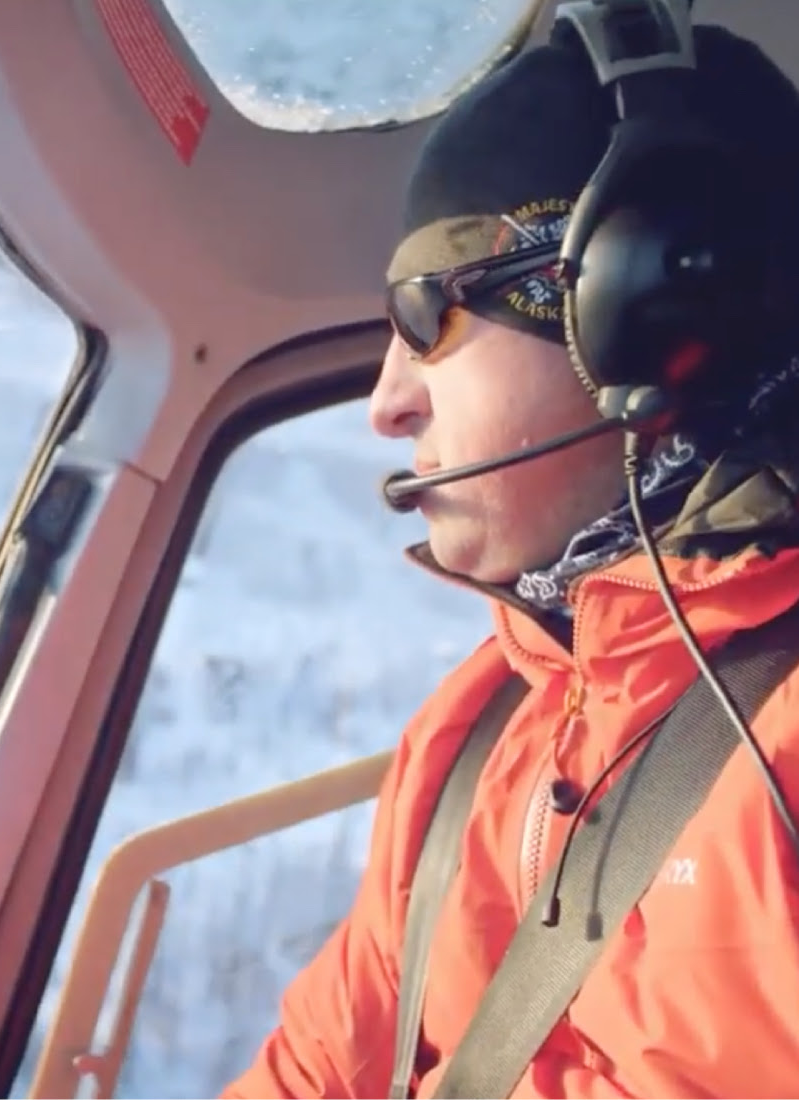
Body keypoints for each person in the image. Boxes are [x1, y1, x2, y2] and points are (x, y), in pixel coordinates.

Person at [222, 15, 799, 1100]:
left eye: (422, 316)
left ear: (646, 306)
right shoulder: (477, 723)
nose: (386, 405)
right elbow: (314, 1066)